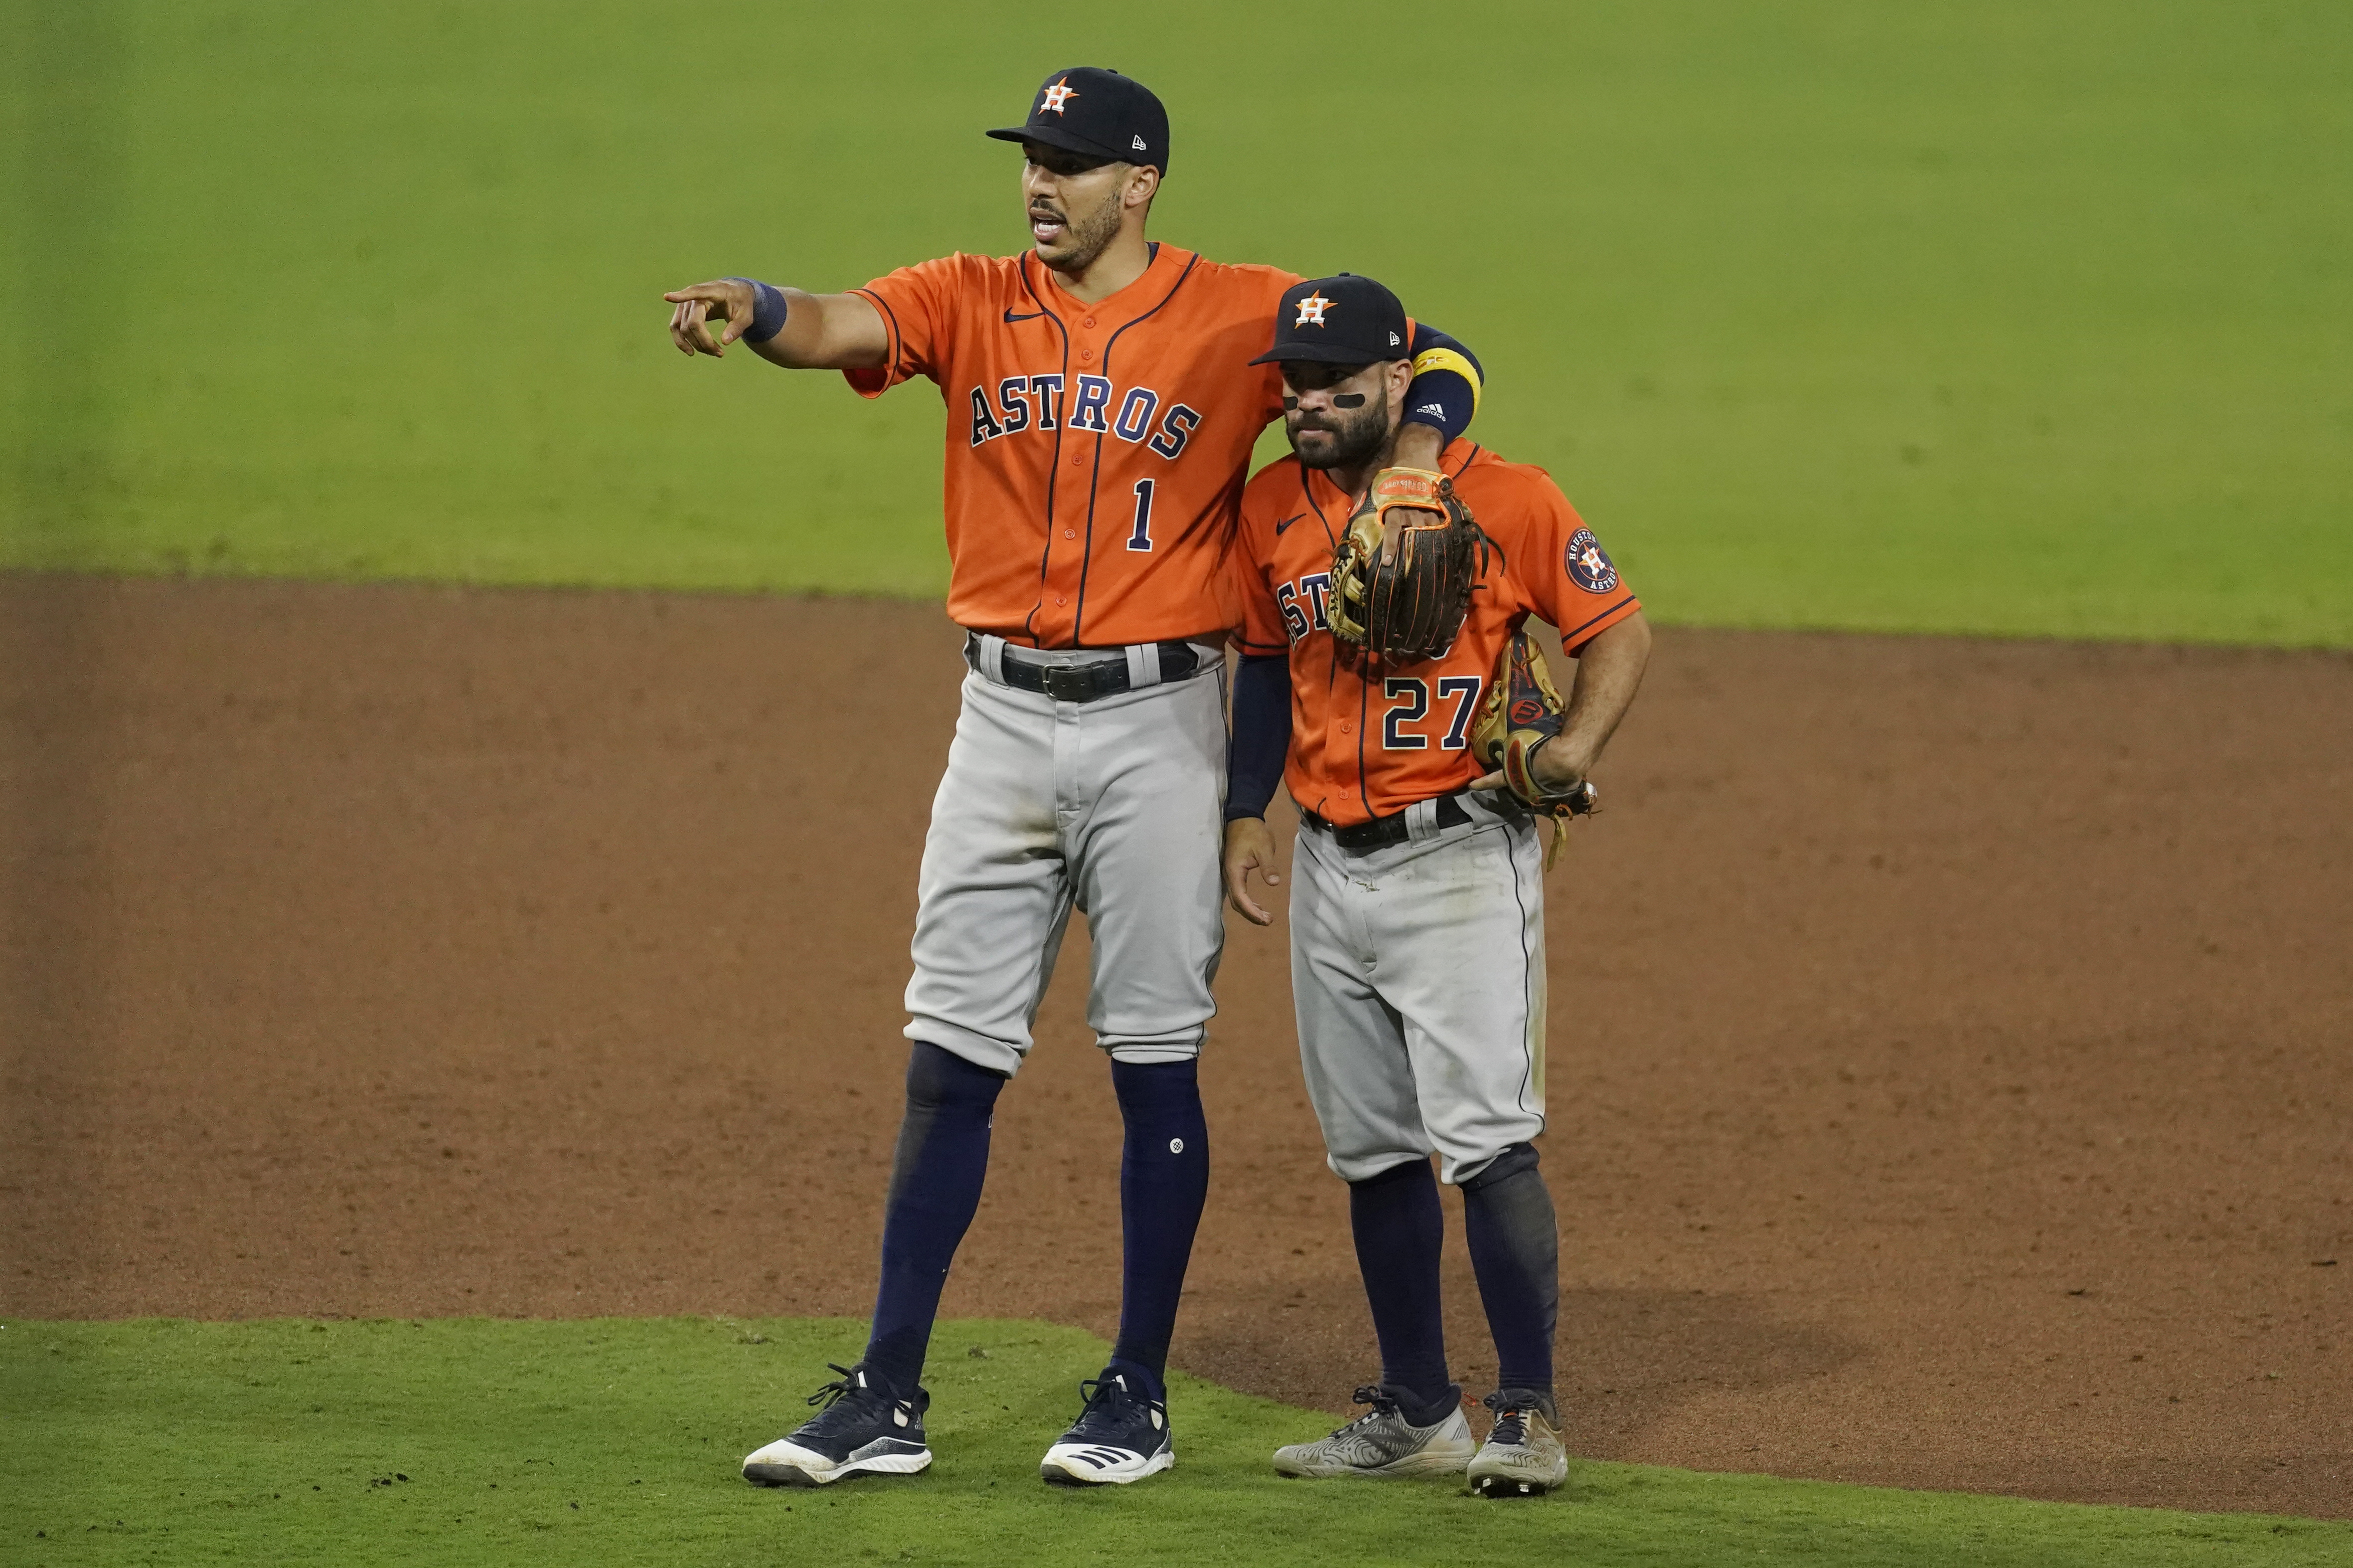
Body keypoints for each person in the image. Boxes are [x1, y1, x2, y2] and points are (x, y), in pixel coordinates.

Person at [660, 69, 1488, 1489]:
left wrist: (1412, 465)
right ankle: (885, 1394)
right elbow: (840, 324)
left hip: (1158, 729)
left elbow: (1440, 350)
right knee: (947, 1061)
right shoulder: (969, 294)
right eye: (1032, 161)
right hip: (995, 725)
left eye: (1071, 163)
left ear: (1140, 182)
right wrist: (751, 300)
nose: (1040, 185)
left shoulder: (1243, 310)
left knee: (1152, 1060)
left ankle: (1133, 1393)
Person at [1221, 274, 1650, 1498]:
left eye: (1335, 384)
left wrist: (1571, 751)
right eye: (1293, 383)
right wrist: (1248, 812)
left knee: (1490, 1147)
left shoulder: (1507, 498)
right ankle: (1417, 1406)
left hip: (1463, 857)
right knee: (1372, 1154)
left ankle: (1528, 1414)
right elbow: (1261, 667)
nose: (1305, 403)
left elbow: (1617, 630)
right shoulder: (1267, 509)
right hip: (1327, 871)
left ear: (1401, 384)